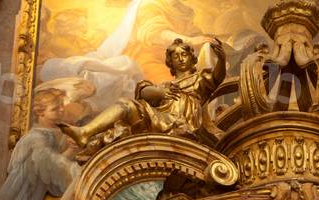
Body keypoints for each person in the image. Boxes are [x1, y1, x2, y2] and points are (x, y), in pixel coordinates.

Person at [58, 36, 225, 148]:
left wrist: (222, 60)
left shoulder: (200, 79)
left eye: (184, 55)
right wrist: (160, 92)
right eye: (176, 56)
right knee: (126, 104)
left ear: (192, 58)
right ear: (170, 62)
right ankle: (84, 132)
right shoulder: (165, 84)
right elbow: (143, 91)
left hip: (183, 121)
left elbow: (218, 77)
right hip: (159, 118)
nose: (181, 59)